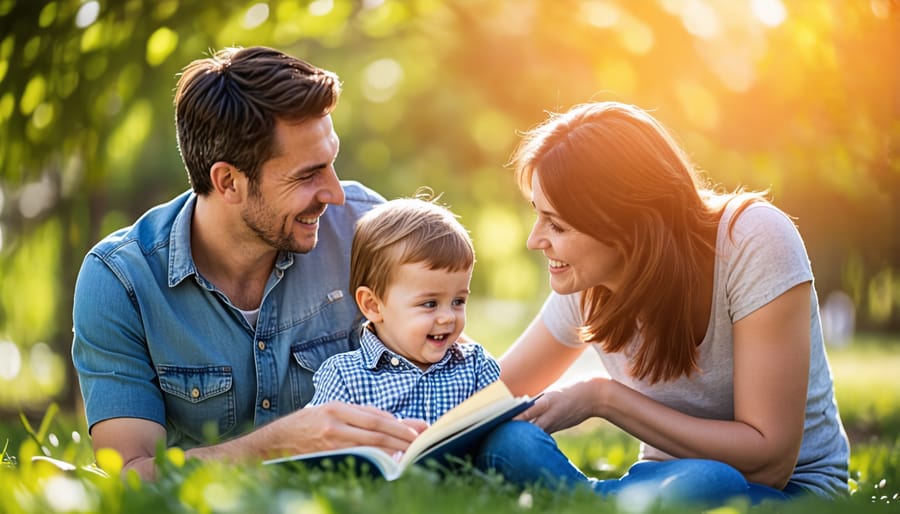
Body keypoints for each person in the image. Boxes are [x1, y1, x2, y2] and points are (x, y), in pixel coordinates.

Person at [71, 46, 426, 480]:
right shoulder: (121, 281)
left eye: (331, 163)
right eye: (307, 174)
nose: (334, 192)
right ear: (228, 182)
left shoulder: (365, 228)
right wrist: (278, 445)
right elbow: (129, 475)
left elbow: (445, 367)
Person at [476, 101, 849, 507]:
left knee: (710, 482)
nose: (535, 240)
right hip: (664, 482)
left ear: (628, 225)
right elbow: (492, 395)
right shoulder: (588, 283)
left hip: (786, 494)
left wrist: (604, 399)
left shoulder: (754, 241)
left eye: (557, 224)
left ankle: (597, 502)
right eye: (538, 215)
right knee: (513, 439)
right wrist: (399, 425)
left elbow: (771, 463)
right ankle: (604, 503)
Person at [307, 196, 501, 424]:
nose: (448, 317)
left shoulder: (476, 366)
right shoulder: (343, 376)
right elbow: (321, 444)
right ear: (373, 305)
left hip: (467, 459)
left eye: (458, 301)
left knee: (521, 437)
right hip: (389, 459)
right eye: (430, 304)